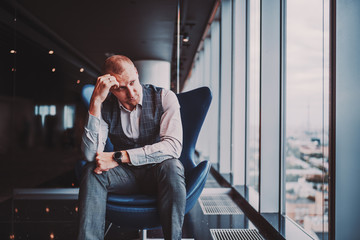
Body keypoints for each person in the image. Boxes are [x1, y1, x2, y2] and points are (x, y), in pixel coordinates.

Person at [78, 55, 186, 240]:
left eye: (133, 82)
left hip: (158, 174)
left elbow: (173, 147)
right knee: (91, 171)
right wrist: (95, 102)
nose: (131, 92)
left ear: (136, 72)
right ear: (111, 89)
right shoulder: (105, 107)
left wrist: (118, 157)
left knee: (172, 166)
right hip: (124, 177)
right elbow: (89, 154)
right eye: (120, 88)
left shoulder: (165, 98)